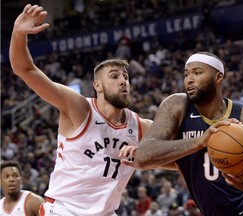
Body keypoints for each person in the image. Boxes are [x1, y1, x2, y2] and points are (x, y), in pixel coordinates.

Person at [9, 4, 176, 216]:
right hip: (62, 211)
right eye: (115, 76)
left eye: (126, 76)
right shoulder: (79, 108)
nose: (123, 81)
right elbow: (24, 69)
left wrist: (145, 156)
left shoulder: (140, 127)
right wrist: (18, 33)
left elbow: (180, 161)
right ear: (97, 86)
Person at [123, 52, 243, 215]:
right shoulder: (177, 106)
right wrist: (200, 142)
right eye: (186, 74)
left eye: (197, 73)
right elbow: (144, 155)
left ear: (218, 77)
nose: (189, 79)